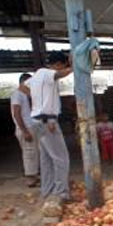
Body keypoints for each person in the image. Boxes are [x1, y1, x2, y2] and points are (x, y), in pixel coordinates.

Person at [26, 52, 73, 201]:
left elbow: (23, 87)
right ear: (58, 64)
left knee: (46, 159)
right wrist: (75, 64)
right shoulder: (47, 73)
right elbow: (61, 74)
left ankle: (47, 191)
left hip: (36, 120)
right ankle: (61, 193)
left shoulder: (35, 76)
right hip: (47, 121)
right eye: (63, 65)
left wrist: (38, 102)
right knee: (61, 158)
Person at [11, 73, 39, 187]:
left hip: (29, 126)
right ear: (23, 82)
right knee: (29, 153)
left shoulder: (25, 95)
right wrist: (25, 131)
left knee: (33, 152)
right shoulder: (17, 95)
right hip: (25, 128)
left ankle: (34, 176)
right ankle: (30, 178)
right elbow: (16, 114)